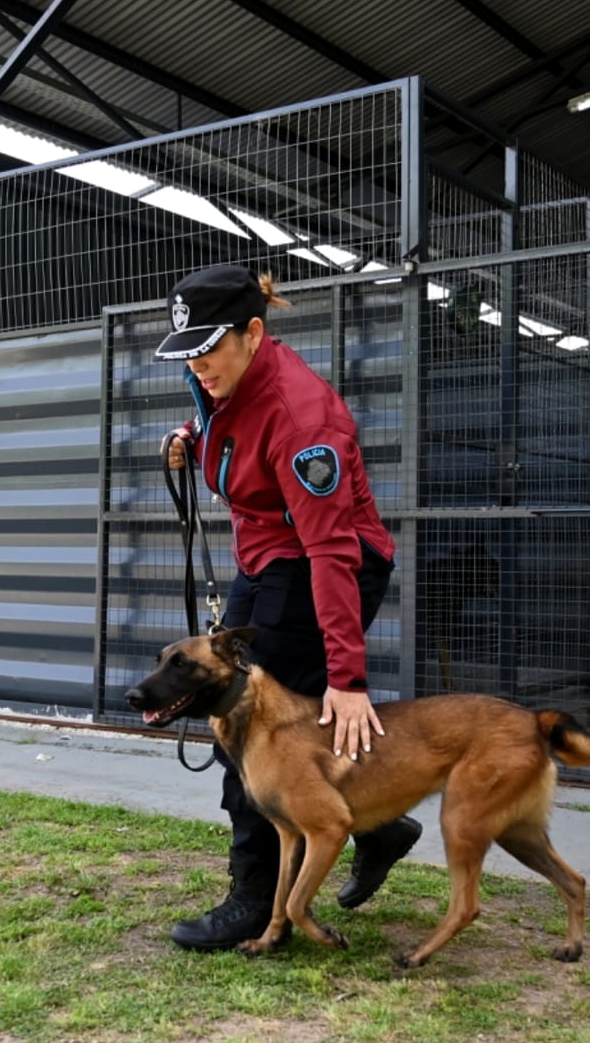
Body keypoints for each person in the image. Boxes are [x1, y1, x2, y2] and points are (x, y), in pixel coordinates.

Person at [156, 262, 420, 952]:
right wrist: (191, 434)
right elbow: (221, 412)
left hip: (327, 564)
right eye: (187, 352)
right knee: (246, 722)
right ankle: (377, 823)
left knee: (256, 729)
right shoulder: (223, 375)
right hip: (270, 558)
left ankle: (253, 899)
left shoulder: (304, 418)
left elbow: (334, 552)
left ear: (252, 331)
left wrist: (348, 677)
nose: (197, 364)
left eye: (207, 349)